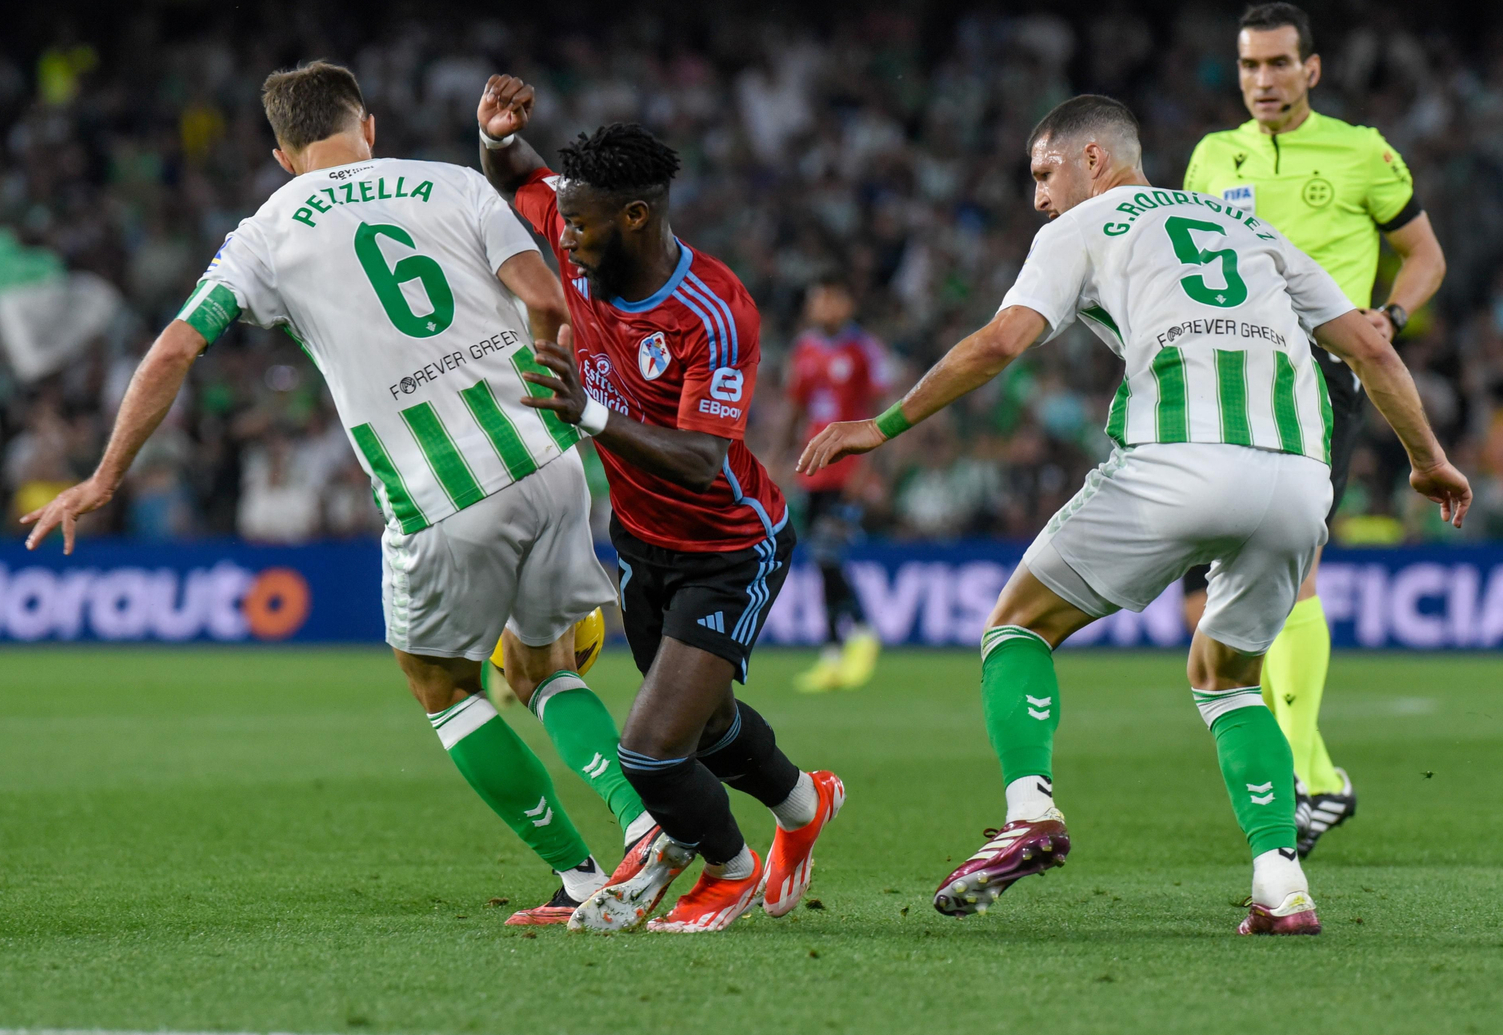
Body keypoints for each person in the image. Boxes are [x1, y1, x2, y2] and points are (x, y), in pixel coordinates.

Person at [800, 95, 1469, 935]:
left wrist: (882, 424)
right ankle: (1280, 884)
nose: (1038, 197)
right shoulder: (1252, 229)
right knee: (1229, 680)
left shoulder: (1081, 227)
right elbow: (1370, 346)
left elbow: (1001, 343)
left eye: (1044, 174)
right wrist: (1428, 459)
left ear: (1092, 158)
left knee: (1015, 630)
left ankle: (1030, 811)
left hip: (1176, 464)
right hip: (1300, 482)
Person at [21, 60, 654, 928]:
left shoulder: (265, 233)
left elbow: (174, 351)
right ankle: (644, 824)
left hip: (439, 493)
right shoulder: (453, 183)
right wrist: (551, 392)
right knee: (543, 663)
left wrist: (103, 478)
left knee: (443, 687)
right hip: (547, 462)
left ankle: (581, 877)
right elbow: (547, 299)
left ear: (282, 155)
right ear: (371, 127)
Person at [477, 74, 843, 933]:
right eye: (562, 216)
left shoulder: (710, 313)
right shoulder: (578, 234)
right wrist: (495, 138)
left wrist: (591, 413)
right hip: (642, 544)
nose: (560, 234)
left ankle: (730, 871)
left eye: (578, 222)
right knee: (706, 727)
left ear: (634, 216)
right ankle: (802, 806)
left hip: (728, 546)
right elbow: (517, 176)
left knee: (647, 750)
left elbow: (705, 462)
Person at [1180, 3, 1448, 855]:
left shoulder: (1362, 150)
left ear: (1311, 69)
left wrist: (1391, 318)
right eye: (1250, 66)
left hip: (1319, 366)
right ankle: (1321, 780)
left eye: (1278, 65)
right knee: (1215, 588)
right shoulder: (1212, 158)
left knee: (1290, 567)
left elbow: (1424, 254)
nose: (1262, 81)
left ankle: (1304, 778)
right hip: (1223, 375)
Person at [782, 279, 886, 693]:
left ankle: (860, 631)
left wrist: (866, 472)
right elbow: (795, 408)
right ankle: (831, 654)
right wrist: (777, 457)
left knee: (826, 553)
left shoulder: (863, 350)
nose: (823, 306)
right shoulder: (804, 349)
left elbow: (881, 414)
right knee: (821, 561)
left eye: (831, 297)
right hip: (813, 469)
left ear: (847, 301)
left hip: (848, 470)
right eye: (817, 298)